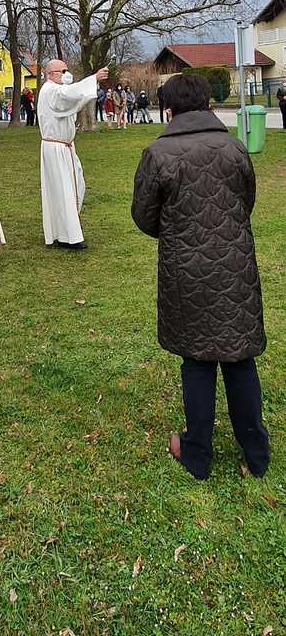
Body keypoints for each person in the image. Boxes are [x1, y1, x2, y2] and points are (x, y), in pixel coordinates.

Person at [131, 72, 269, 480]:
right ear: (207, 105)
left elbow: (144, 214)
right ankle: (255, 453)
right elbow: (244, 201)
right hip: (235, 264)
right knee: (238, 357)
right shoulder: (234, 147)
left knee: (198, 360)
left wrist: (180, 232)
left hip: (186, 270)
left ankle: (198, 453)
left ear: (169, 110)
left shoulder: (159, 154)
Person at [38, 59, 109, 249]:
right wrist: (94, 78)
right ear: (50, 74)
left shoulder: (56, 90)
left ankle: (64, 231)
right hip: (56, 149)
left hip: (64, 147)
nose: (66, 74)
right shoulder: (51, 90)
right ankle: (69, 236)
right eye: (62, 71)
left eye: (67, 70)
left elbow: (74, 100)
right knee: (63, 190)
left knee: (72, 186)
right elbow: (70, 94)